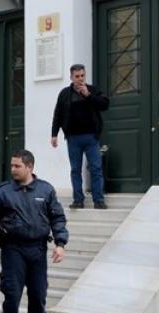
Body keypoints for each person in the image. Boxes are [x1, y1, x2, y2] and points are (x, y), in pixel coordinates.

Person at [0, 149, 68, 313]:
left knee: (38, 295)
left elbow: (57, 217)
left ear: (29, 167)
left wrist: (60, 243)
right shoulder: (3, 192)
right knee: (12, 294)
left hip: (37, 250)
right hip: (13, 250)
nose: (13, 169)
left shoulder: (45, 190)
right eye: (12, 165)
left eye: (17, 166)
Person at [50, 64, 110, 209]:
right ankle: (78, 200)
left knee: (96, 168)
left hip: (91, 137)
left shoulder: (92, 90)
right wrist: (54, 134)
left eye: (82, 75)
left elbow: (104, 104)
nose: (80, 79)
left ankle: (98, 200)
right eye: (77, 76)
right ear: (71, 77)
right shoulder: (65, 93)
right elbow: (58, 113)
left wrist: (88, 95)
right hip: (73, 138)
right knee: (75, 170)